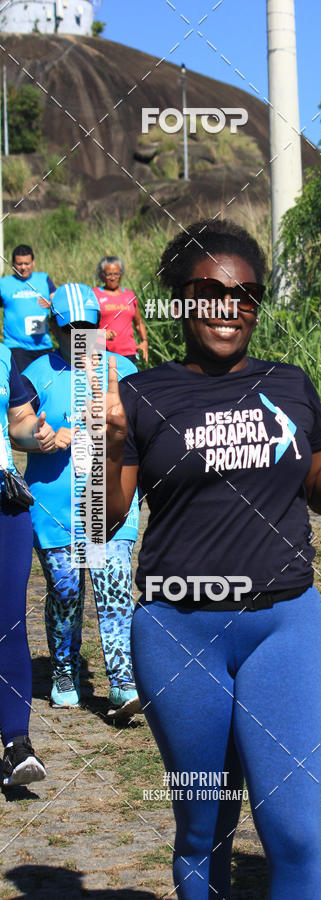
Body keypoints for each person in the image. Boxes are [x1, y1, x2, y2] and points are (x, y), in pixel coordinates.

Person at [98, 220, 321, 899]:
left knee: (293, 834)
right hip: (178, 632)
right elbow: (104, 520)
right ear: (180, 299)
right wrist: (110, 442)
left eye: (246, 294)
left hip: (285, 627)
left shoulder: (289, 385)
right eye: (211, 291)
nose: (229, 307)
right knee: (204, 829)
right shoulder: (141, 395)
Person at [21, 283, 141, 721]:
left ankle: (122, 682)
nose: (78, 336)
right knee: (66, 591)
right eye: (68, 328)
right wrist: (38, 437)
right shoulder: (35, 373)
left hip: (110, 502)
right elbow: (17, 427)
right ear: (54, 328)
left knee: (114, 588)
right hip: (54, 506)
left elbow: (145, 432)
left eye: (86, 327)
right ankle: (64, 672)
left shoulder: (122, 370)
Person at [0, 341, 56, 786]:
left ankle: (17, 744)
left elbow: (17, 421)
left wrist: (33, 434)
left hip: (4, 501)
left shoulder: (2, 354)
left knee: (9, 623)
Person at [0, 245, 56, 373]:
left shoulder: (43, 278)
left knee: (44, 382)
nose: (23, 267)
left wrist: (51, 305)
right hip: (16, 346)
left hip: (43, 345)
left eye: (27, 263)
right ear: (13, 264)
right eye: (19, 264)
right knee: (23, 382)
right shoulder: (3, 284)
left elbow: (57, 302)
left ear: (33, 262)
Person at [93, 256, 148, 366]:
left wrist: (144, 341)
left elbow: (139, 323)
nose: (113, 278)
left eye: (116, 274)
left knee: (131, 378)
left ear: (121, 274)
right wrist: (100, 334)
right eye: (109, 274)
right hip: (103, 353)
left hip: (129, 353)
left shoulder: (129, 295)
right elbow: (86, 326)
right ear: (102, 275)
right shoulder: (94, 295)